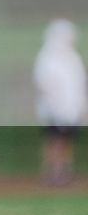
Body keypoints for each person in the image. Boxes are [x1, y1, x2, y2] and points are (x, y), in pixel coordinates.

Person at [35, 19, 85, 186]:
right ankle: (52, 171)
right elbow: (44, 82)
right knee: (55, 140)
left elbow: (78, 83)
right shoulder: (48, 56)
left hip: (70, 109)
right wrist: (54, 105)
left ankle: (64, 170)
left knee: (66, 141)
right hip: (54, 109)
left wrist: (80, 105)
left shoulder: (72, 57)